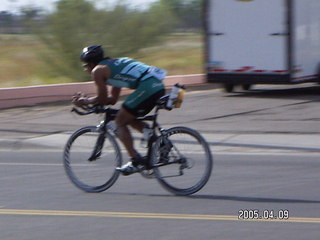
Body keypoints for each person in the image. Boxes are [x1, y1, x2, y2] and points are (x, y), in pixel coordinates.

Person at [73, 45, 166, 175]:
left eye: (85, 65)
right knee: (128, 116)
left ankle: (135, 160)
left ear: (91, 63)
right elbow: (112, 99)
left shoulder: (98, 71)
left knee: (120, 121)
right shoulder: (113, 66)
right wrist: (95, 101)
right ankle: (160, 144)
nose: (85, 69)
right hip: (157, 86)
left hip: (147, 87)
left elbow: (102, 98)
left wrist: (85, 101)